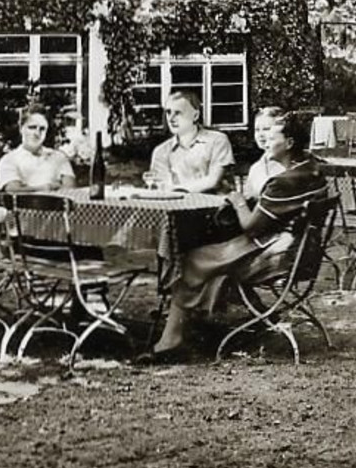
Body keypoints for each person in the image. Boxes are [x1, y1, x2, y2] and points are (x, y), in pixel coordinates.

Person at [137, 109, 328, 363]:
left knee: (191, 258)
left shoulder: (283, 182)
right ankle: (196, 321)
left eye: (271, 136)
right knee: (209, 248)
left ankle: (172, 339)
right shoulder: (311, 167)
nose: (265, 141)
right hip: (304, 251)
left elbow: (250, 226)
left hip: (276, 255)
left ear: (289, 143)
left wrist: (238, 200)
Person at [147, 90, 234, 194]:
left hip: (215, 206)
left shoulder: (217, 141)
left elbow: (212, 181)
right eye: (168, 112)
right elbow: (163, 189)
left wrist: (177, 190)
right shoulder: (161, 151)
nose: (171, 119)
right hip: (178, 206)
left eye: (178, 113)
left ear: (195, 115)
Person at [0, 109, 76, 193]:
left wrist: (28, 188)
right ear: (21, 129)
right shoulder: (9, 160)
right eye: (32, 127)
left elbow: (70, 190)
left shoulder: (59, 157)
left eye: (42, 129)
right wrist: (47, 187)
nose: (37, 133)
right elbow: (14, 191)